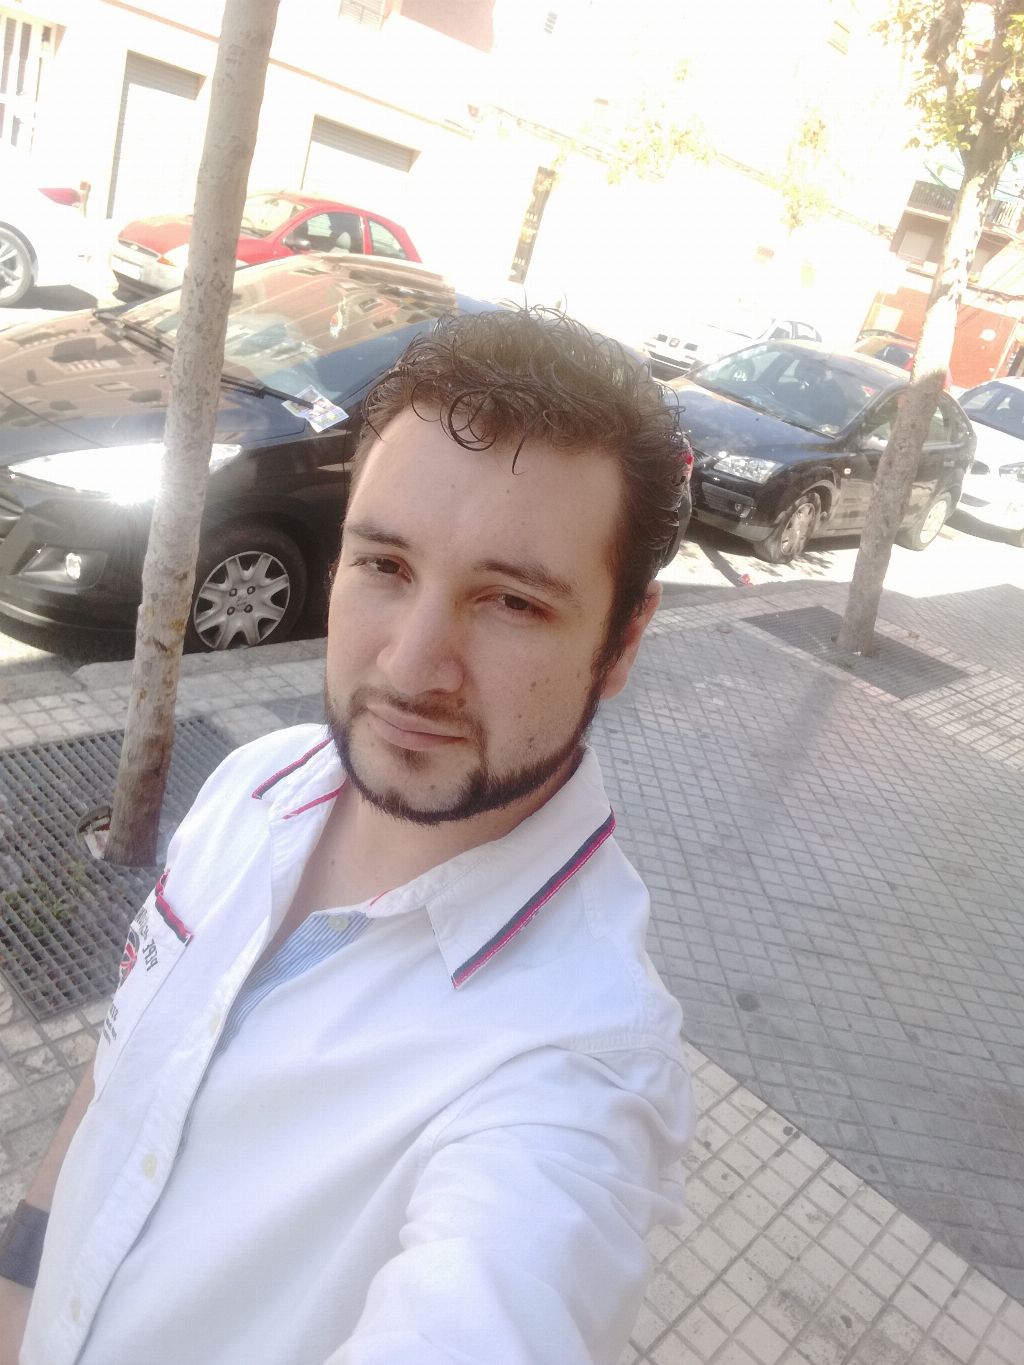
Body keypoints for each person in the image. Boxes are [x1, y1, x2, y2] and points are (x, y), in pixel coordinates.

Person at [1, 307, 694, 1365]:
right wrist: (20, 1268)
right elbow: (128, 1060)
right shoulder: (257, 782)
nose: (410, 667)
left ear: (624, 637)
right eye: (385, 566)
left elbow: (503, 1297)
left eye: (511, 602)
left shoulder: (579, 1068)